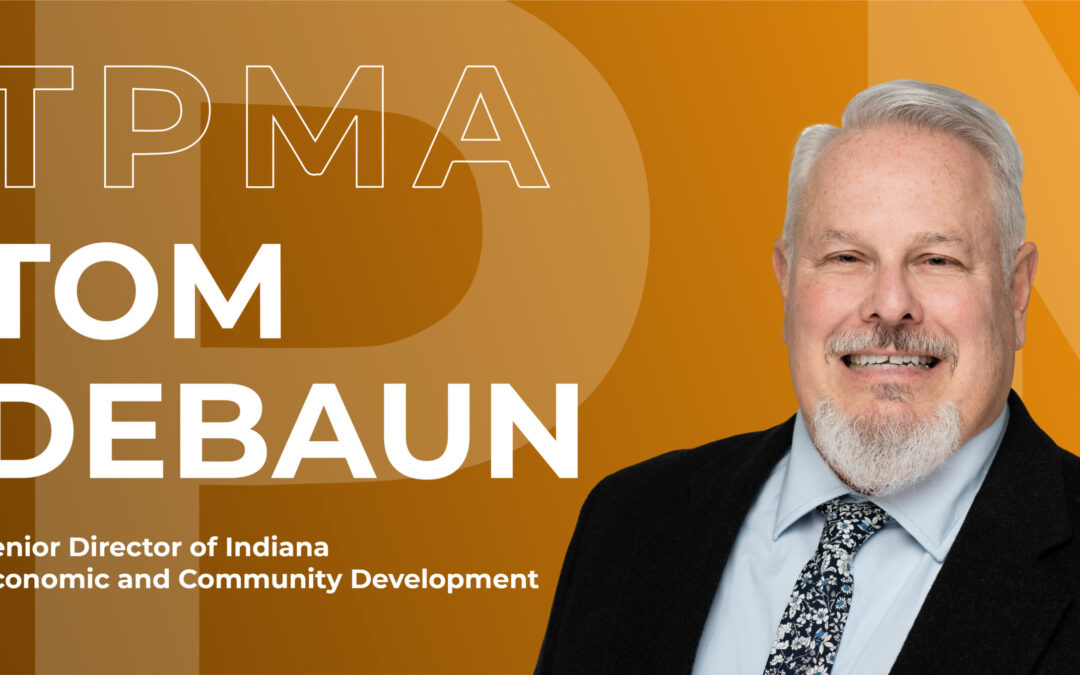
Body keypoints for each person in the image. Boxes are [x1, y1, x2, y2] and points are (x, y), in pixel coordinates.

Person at [534, 80, 1080, 675]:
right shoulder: (628, 522)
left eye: (938, 260)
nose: (890, 304)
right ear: (787, 282)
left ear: (1017, 291)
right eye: (846, 257)